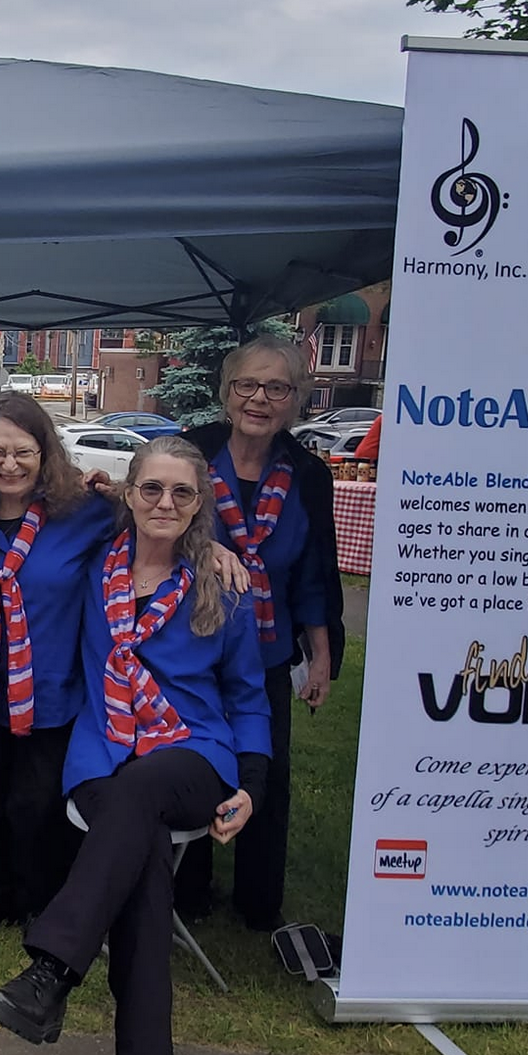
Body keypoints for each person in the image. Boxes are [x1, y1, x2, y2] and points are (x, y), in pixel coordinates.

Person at [0, 438, 271, 1055]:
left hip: (193, 756)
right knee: (140, 872)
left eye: (182, 493)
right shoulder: (92, 572)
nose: (164, 504)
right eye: (151, 490)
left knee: (144, 791)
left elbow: (249, 698)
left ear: (201, 505)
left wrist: (253, 787)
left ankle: (51, 970)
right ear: (131, 495)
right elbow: (51, 499)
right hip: (105, 755)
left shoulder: (221, 583)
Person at [180, 336, 345, 931]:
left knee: (266, 770)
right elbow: (152, 525)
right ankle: (187, 890)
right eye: (247, 384)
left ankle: (257, 901)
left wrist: (321, 658)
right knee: (193, 761)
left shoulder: (306, 474)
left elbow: (315, 573)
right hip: (191, 647)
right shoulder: (190, 454)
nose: (260, 398)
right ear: (226, 394)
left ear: (295, 400)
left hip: (268, 652)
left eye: (277, 388)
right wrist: (205, 545)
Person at [0, 392, 114, 942]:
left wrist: (218, 552)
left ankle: (39, 902)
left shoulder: (84, 514)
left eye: (24, 451)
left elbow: (160, 523)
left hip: (50, 689)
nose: (9, 464)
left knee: (36, 804)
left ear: (45, 455)